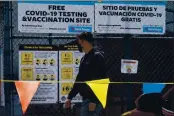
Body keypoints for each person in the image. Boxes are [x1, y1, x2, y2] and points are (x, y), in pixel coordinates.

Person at [65, 32, 106, 116]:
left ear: (85, 42)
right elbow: (80, 79)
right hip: (87, 98)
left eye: (79, 41)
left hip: (93, 100)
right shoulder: (85, 57)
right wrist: (70, 97)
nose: (78, 44)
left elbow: (100, 80)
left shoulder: (97, 56)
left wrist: (94, 101)